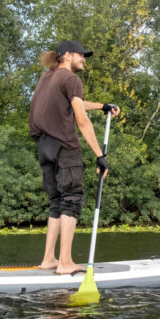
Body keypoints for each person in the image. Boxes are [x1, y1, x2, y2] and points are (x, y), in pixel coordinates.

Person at [29, 40, 120, 274]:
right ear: (67, 55)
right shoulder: (71, 79)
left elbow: (75, 103)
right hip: (65, 147)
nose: (84, 59)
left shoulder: (46, 79)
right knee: (72, 199)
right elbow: (81, 119)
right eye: (81, 55)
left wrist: (102, 106)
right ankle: (66, 263)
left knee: (56, 202)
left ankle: (49, 259)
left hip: (45, 148)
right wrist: (100, 155)